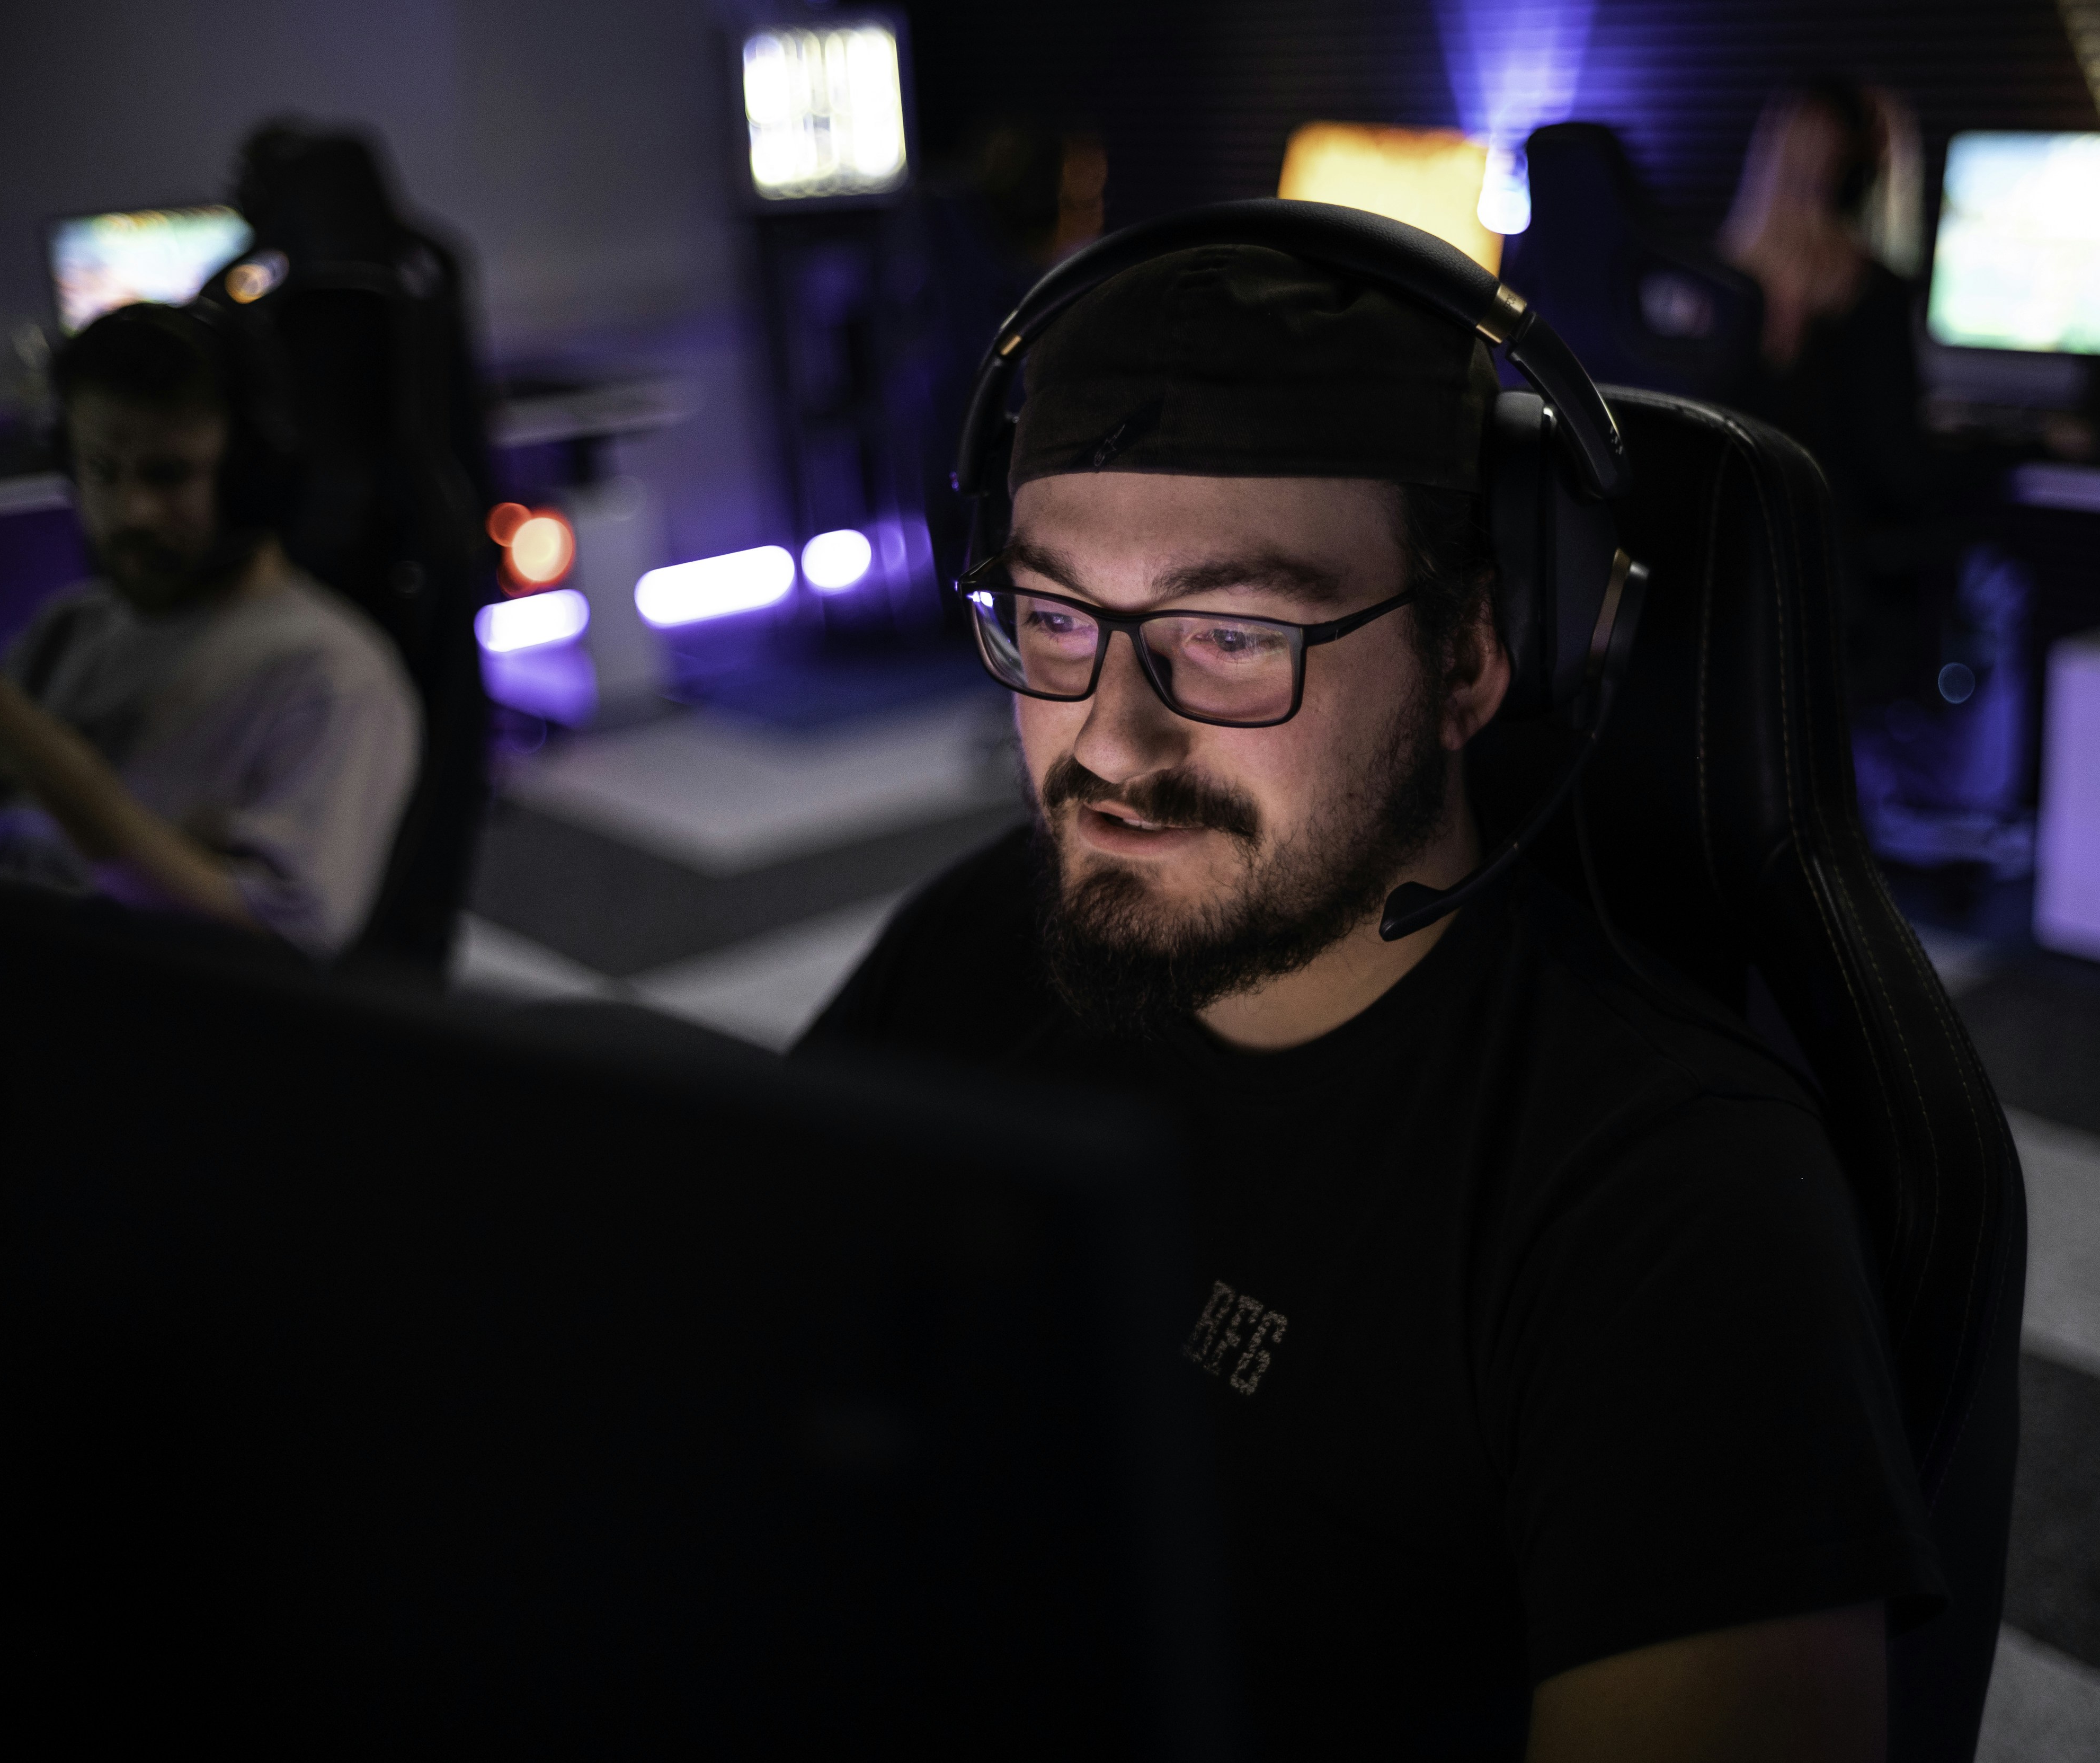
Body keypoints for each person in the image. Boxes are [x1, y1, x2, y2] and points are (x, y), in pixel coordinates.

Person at [796, 244, 1942, 1759]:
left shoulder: (1674, 1201)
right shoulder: (977, 945)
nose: (1112, 744)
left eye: (1233, 635)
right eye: (1056, 618)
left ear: (1471, 656)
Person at [0, 301, 419, 959]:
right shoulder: (71, 628)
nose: (131, 513)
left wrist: (52, 764)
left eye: (169, 475)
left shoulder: (331, 674)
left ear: (249, 482)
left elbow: (281, 947)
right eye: (102, 472)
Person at [1719, 76, 1932, 713]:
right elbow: (1902, 470)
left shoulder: (1715, 291)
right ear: (1869, 175)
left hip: (1728, 584)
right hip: (1835, 589)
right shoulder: (1872, 295)